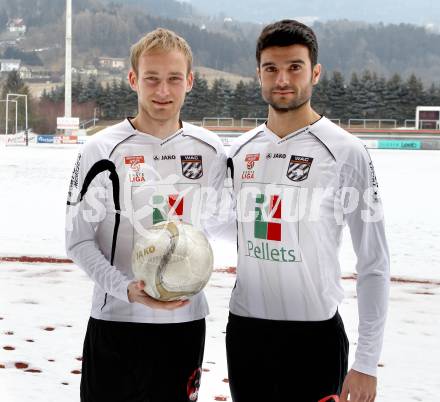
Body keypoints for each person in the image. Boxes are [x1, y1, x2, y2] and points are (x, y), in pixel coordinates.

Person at [225, 20, 390, 402]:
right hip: (247, 334)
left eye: (294, 67)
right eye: (272, 69)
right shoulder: (238, 151)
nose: (282, 78)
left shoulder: (346, 151)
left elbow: (374, 262)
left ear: (315, 72)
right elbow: (228, 228)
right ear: (259, 75)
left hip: (314, 337)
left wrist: (366, 362)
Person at [65, 28, 227, 402]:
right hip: (116, 324)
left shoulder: (210, 149)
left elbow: (224, 223)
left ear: (190, 81)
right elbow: (78, 240)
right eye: (151, 79)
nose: (163, 91)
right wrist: (126, 290)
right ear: (134, 79)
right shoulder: (101, 149)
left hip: (183, 326)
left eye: (173, 79)